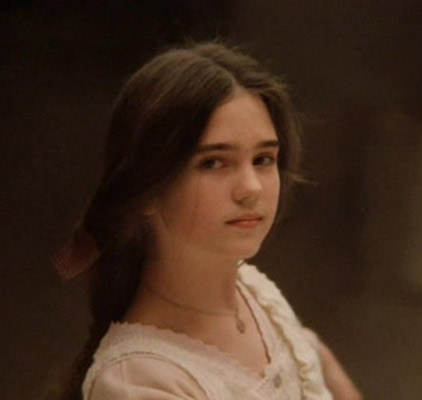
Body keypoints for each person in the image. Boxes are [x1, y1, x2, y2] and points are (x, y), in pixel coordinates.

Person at [54, 41, 362, 400]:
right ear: (146, 188)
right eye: (214, 163)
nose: (250, 189)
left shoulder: (258, 295)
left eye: (263, 159)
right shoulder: (139, 382)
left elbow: (319, 366)